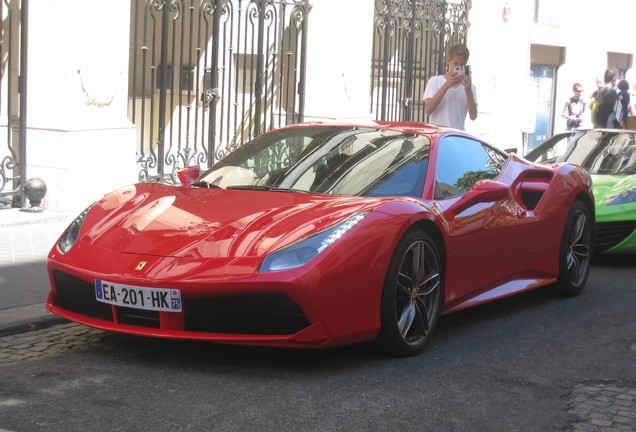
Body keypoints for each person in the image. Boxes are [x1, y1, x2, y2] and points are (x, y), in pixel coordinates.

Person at [423, 43, 477, 131]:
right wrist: (446, 86)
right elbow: (428, 109)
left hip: (457, 135)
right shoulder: (435, 81)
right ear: (448, 61)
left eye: (461, 65)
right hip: (437, 135)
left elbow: (473, 116)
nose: (458, 67)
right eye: (455, 63)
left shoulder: (470, 87)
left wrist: (468, 90)